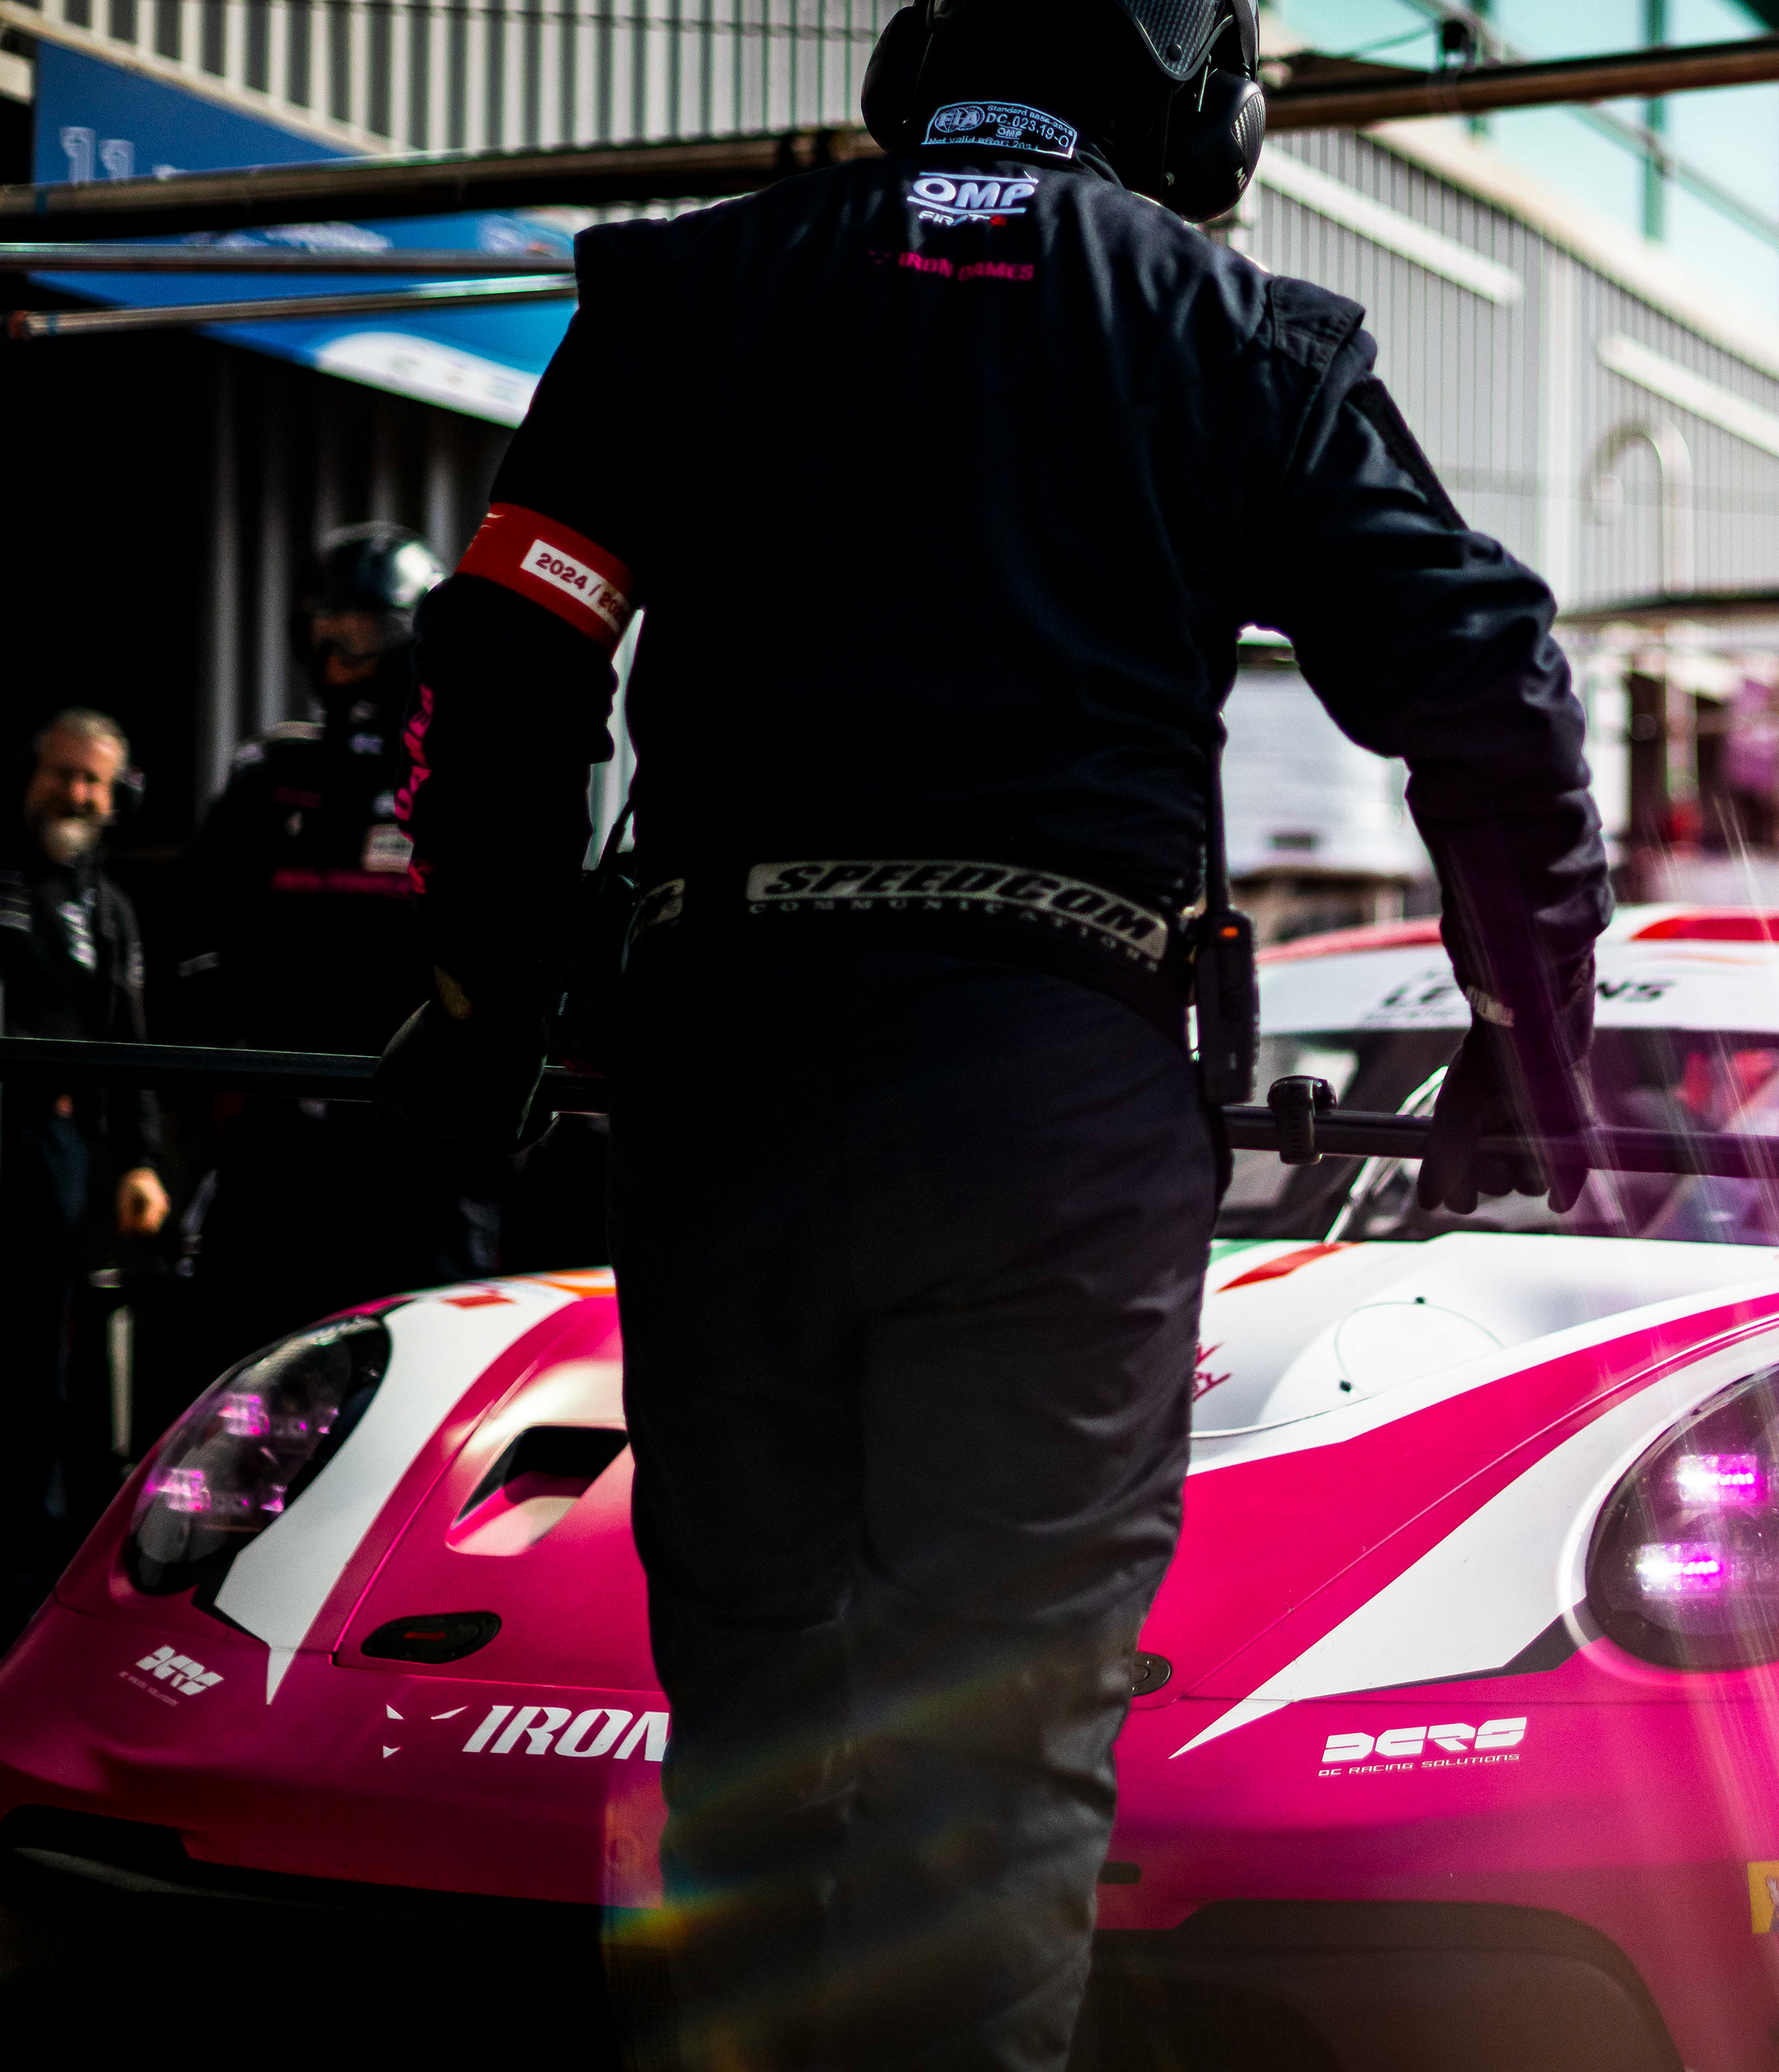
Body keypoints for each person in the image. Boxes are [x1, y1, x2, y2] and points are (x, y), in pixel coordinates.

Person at [382, 2, 1606, 2065]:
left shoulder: (683, 292)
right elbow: (1489, 686)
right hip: (1054, 1104)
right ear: (1196, 94)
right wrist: (1527, 1054)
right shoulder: (1246, 340)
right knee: (996, 1743)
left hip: (728, 1086)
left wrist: (488, 992)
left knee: (759, 1715)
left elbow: (512, 643)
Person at [179, 524, 502, 1364]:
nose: (340, 643)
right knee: (250, 1368)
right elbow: (200, 936)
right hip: (283, 1129)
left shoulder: (459, 772)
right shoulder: (269, 773)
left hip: (418, 1141)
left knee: (421, 1368)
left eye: (364, 624)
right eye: (330, 621)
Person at [2, 711, 169, 1620]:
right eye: (61, 774)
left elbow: (128, 1039)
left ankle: (29, 1544)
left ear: (116, 797)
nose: (74, 795)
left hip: (45, 1151)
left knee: (37, 1346)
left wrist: (139, 1161)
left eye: (92, 783)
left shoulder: (107, 908)